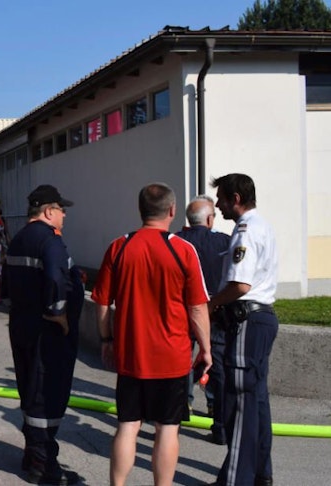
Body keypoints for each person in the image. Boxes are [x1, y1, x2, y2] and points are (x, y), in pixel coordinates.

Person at [91, 183, 212, 486]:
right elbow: (197, 308)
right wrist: (206, 350)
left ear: (140, 210)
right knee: (167, 428)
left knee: (128, 425)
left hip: (132, 354)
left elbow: (102, 301)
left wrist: (106, 340)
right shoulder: (183, 250)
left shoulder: (119, 247)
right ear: (172, 211)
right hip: (171, 357)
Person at [3, 184, 84, 485]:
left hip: (21, 325)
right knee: (47, 392)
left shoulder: (19, 238)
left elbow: (7, 285)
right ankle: (45, 466)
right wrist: (58, 312)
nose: (64, 216)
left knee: (29, 386)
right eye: (62, 210)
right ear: (49, 211)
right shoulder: (49, 240)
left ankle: (32, 453)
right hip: (46, 331)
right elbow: (54, 277)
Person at [207, 174, 279, 486]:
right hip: (261, 320)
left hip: (246, 321)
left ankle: (237, 480)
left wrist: (212, 303)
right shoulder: (262, 226)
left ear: (236, 198)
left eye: (222, 198)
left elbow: (240, 284)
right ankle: (261, 473)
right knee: (257, 401)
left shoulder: (245, 232)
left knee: (241, 405)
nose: (219, 205)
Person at [175, 194, 231, 446]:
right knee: (216, 364)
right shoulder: (224, 242)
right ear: (209, 219)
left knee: (182, 359)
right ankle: (215, 414)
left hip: (182, 311)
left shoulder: (176, 241)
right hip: (215, 311)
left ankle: (180, 406)